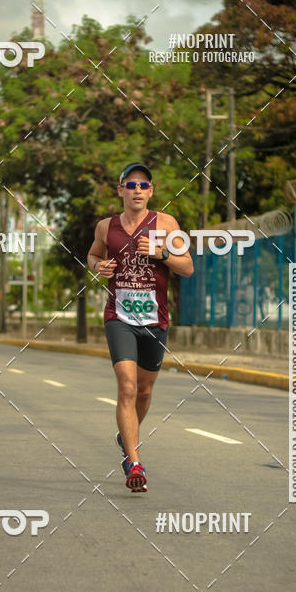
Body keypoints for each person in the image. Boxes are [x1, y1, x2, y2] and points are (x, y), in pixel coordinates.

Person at [88, 162, 193, 492]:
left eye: (143, 186)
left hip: (154, 320)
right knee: (128, 388)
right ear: (120, 190)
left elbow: (187, 267)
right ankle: (133, 461)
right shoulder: (106, 227)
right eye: (130, 185)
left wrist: (161, 253)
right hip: (118, 317)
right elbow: (92, 256)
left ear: (151, 191)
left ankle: (125, 437)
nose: (137, 190)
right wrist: (99, 266)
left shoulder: (165, 223)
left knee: (145, 392)